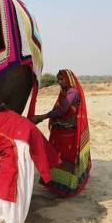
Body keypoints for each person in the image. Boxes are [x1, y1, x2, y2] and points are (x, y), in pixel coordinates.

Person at [31, 69, 91, 197]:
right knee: (56, 156)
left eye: (62, 79)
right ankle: (56, 184)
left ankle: (67, 188)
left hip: (68, 133)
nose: (59, 82)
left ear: (68, 79)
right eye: (58, 79)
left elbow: (62, 110)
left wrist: (42, 117)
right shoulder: (65, 92)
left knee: (66, 158)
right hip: (60, 130)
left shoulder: (72, 92)